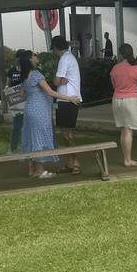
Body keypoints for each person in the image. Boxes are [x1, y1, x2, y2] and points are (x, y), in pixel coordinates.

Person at [19, 50, 80, 179]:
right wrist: (69, 98)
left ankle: (33, 169)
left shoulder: (24, 76)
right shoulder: (36, 75)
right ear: (30, 60)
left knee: (32, 137)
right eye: (34, 55)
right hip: (40, 110)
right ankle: (40, 171)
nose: (37, 56)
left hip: (29, 108)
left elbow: (22, 94)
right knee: (40, 138)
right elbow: (50, 92)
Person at [110, 44, 137, 167]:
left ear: (120, 54)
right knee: (129, 130)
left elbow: (114, 85)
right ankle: (128, 160)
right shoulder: (136, 68)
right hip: (131, 100)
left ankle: (125, 158)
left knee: (123, 130)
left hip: (117, 99)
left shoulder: (115, 68)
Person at [52, 36, 83, 174]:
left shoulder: (64, 59)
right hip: (68, 99)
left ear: (55, 47)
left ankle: (75, 162)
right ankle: (70, 162)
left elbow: (56, 82)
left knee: (68, 133)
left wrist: (59, 81)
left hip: (68, 100)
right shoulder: (70, 57)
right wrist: (60, 81)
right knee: (66, 133)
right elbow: (60, 81)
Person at [5, 49, 25, 154]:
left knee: (26, 125)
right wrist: (7, 90)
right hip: (16, 102)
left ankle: (24, 146)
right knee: (16, 126)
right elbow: (8, 84)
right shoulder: (11, 71)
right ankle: (12, 148)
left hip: (26, 101)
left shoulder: (27, 71)